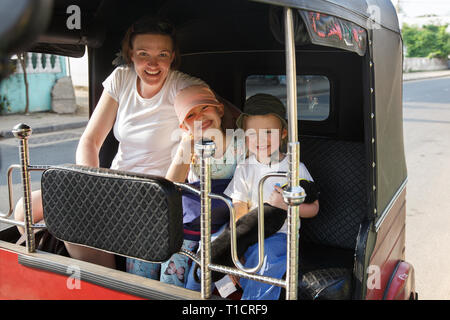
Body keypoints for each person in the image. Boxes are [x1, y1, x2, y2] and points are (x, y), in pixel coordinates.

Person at [14, 16, 206, 269]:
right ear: (131, 54)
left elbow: (209, 113)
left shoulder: (183, 86)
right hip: (113, 186)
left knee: (74, 226)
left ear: (172, 57)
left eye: (162, 54)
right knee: (26, 207)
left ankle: (111, 282)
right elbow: (91, 140)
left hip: (153, 196)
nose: (153, 63)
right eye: (143, 54)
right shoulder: (121, 78)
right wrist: (90, 182)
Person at [127, 84, 244, 288]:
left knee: (177, 267)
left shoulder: (239, 143)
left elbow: (246, 188)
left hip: (222, 220)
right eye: (190, 116)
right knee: (147, 244)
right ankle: (141, 288)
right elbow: (170, 187)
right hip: (192, 221)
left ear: (219, 110)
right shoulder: (189, 147)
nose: (200, 117)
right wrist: (187, 144)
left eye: (205, 108)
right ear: (183, 127)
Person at [222, 93, 320, 300]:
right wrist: (235, 245)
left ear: (283, 133)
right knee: (213, 248)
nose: (260, 140)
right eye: (252, 134)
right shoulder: (245, 167)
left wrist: (286, 205)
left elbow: (314, 208)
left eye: (268, 132)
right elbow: (239, 207)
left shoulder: (294, 168)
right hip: (249, 232)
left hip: (281, 236)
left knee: (264, 258)